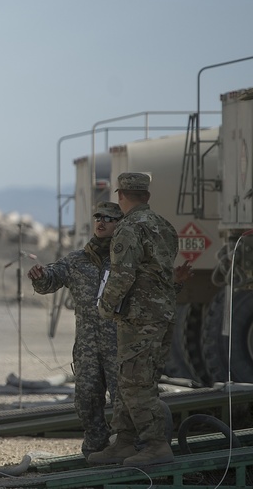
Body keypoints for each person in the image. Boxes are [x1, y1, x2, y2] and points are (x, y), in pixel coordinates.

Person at [90, 172, 179, 467]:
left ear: (120, 195)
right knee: (138, 379)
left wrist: (106, 307)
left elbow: (122, 275)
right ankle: (125, 441)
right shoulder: (163, 226)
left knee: (133, 383)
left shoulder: (129, 228)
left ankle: (155, 444)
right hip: (163, 314)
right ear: (147, 197)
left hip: (139, 318)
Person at [28, 201, 123, 457]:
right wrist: (40, 276)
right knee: (86, 400)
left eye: (109, 218)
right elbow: (52, 279)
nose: (101, 222)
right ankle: (95, 449)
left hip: (121, 346)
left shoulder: (126, 262)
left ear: (120, 224)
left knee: (124, 401)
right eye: (99, 217)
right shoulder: (78, 261)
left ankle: (127, 448)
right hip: (88, 348)